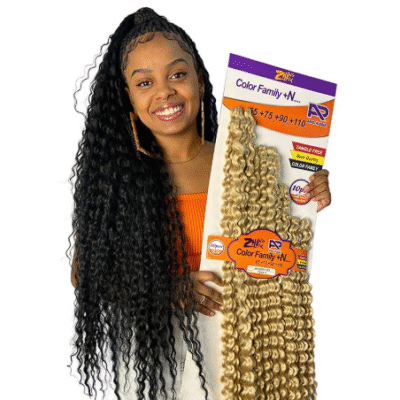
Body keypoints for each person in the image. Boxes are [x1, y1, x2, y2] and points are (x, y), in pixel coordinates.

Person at [69, 7, 331, 400]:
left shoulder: (245, 163)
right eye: (144, 82)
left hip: (247, 357)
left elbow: (280, 247)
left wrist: (307, 194)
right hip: (161, 366)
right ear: (129, 98)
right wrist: (166, 290)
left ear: (199, 79)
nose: (164, 92)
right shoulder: (120, 183)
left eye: (177, 74)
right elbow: (85, 274)